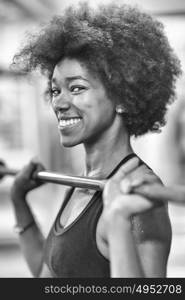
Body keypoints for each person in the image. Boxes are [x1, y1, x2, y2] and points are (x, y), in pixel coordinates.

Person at [11, 2, 181, 278]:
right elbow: (53, 275)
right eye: (55, 90)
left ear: (123, 98)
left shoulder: (140, 200)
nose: (59, 103)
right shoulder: (83, 184)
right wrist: (20, 203)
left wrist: (117, 222)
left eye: (76, 88)